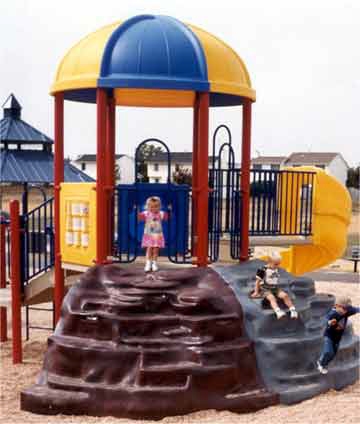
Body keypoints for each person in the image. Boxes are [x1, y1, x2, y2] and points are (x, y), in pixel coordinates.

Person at [317, 297, 359, 374]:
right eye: (344, 308)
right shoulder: (333, 314)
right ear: (337, 306)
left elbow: (356, 309)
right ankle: (320, 363)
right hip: (329, 336)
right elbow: (325, 320)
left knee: (332, 354)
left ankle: (324, 363)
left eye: (347, 309)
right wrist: (329, 323)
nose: (345, 311)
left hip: (337, 337)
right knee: (328, 351)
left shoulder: (347, 311)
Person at [251, 251, 298, 320]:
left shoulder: (275, 268)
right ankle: (278, 312)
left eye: (279, 264)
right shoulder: (263, 269)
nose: (277, 266)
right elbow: (257, 281)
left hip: (274, 287)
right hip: (265, 288)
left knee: (285, 296)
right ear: (269, 262)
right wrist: (256, 292)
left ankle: (293, 311)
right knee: (271, 298)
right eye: (276, 264)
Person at [138, 196, 167, 272]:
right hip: (148, 235)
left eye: (156, 206)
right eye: (151, 206)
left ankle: (154, 263)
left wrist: (169, 210)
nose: (154, 208)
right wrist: (137, 211)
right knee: (149, 249)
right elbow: (140, 218)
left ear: (160, 207)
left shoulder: (161, 213)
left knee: (156, 250)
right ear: (147, 207)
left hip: (157, 235)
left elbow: (167, 217)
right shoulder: (146, 213)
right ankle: (148, 263)